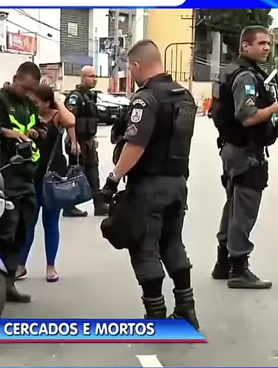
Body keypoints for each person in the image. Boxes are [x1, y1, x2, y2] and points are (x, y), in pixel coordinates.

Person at [100, 40, 198, 326]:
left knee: (144, 246)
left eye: (130, 69)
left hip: (149, 186)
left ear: (136, 65)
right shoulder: (184, 96)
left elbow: (136, 144)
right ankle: (186, 309)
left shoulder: (147, 98)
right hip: (177, 183)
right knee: (173, 243)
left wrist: (113, 178)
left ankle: (156, 315)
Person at [211, 26, 278, 289]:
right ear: (245, 46)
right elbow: (248, 117)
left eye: (268, 43)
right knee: (244, 209)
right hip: (245, 153)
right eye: (261, 43)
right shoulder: (246, 77)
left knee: (233, 206)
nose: (266, 48)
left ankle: (223, 263)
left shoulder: (233, 71)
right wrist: (274, 107)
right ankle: (238, 268)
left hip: (233, 149)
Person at [0, 61, 43, 302]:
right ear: (14, 79)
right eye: (24, 88)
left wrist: (37, 133)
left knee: (21, 233)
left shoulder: (29, 104)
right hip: (2, 177)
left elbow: (41, 126)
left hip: (26, 177)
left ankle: (9, 284)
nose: (28, 93)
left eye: (32, 90)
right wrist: (3, 131)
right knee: (1, 235)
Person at [16, 84, 77, 283]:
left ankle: (51, 266)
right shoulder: (30, 116)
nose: (33, 105)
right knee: (28, 223)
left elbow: (71, 121)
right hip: (32, 175)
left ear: (47, 102)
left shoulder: (56, 116)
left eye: (36, 102)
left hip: (52, 175)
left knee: (50, 223)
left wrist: (59, 102)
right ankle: (21, 265)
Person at [64, 66, 108, 217]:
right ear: (83, 78)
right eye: (91, 76)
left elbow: (91, 121)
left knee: (93, 173)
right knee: (75, 174)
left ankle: (99, 205)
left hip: (88, 142)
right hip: (78, 141)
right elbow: (69, 120)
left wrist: (93, 138)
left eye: (95, 76)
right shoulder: (75, 97)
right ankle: (69, 206)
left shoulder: (89, 96)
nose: (94, 79)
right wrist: (74, 141)